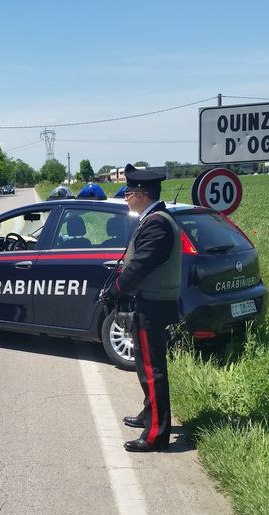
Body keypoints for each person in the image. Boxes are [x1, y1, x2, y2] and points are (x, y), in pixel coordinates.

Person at [106, 164, 181, 452]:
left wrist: (116, 290)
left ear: (141, 194)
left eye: (128, 193)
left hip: (152, 304)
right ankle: (149, 415)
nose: (125, 197)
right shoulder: (152, 219)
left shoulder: (157, 223)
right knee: (144, 366)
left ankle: (155, 435)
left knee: (152, 370)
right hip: (148, 302)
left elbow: (140, 266)